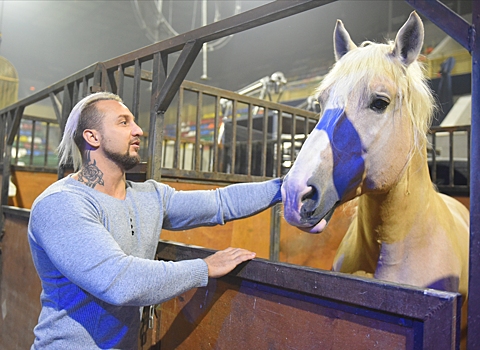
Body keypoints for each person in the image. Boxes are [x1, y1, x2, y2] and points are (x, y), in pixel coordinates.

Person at [28, 91, 282, 349]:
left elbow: (219, 203)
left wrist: (286, 187)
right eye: (124, 122)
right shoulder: (61, 203)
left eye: (134, 122)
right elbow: (119, 282)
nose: (138, 130)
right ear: (92, 137)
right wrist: (203, 268)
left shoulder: (149, 196)